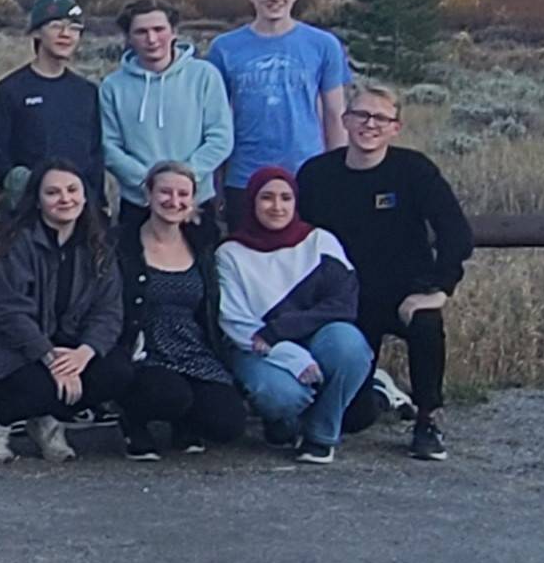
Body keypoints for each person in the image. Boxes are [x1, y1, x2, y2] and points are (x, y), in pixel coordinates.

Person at [298, 85, 471, 461]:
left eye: (381, 118)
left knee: (426, 323)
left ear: (396, 127)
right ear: (345, 121)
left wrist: (441, 287)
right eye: (360, 115)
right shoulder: (316, 174)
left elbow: (455, 231)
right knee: (355, 419)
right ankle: (378, 389)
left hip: (406, 292)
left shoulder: (414, 170)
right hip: (346, 300)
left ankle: (427, 420)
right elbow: (299, 239)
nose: (369, 124)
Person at [0, 161, 130, 463]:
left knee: (117, 372)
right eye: (53, 192)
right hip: (1, 350)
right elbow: (9, 314)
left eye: (72, 190)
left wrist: (83, 354)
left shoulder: (98, 245)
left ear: (85, 196)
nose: (65, 199)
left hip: (66, 347)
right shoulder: (14, 244)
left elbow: (108, 311)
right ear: (37, 200)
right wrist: (51, 359)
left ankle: (46, 418)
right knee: (42, 388)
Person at [215, 166, 380, 465]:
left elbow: (342, 304)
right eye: (266, 198)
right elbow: (235, 321)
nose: (277, 207)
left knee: (351, 349)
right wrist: (288, 353)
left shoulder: (320, 241)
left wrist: (284, 329)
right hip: (256, 345)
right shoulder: (230, 253)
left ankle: (320, 434)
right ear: (251, 202)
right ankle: (284, 420)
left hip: (309, 336)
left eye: (285, 198)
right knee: (281, 395)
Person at [115, 161, 247, 460]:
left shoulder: (203, 244)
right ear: (148, 194)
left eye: (182, 194)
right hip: (143, 350)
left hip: (192, 348)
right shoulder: (122, 243)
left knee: (228, 423)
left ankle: (185, 425)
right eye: (165, 192)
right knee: (170, 396)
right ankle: (133, 422)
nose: (173, 201)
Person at [208, 0, 352, 218]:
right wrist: (214, 180)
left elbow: (335, 114)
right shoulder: (224, 48)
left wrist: (338, 174)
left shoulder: (323, 45)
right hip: (244, 176)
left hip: (307, 173)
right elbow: (213, 119)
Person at [100, 0, 234, 239]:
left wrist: (183, 183)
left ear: (174, 32)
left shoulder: (204, 76)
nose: (152, 39)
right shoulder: (112, 87)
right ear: (129, 38)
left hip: (195, 203)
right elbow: (109, 146)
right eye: (141, 32)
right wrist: (150, 185)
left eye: (159, 29)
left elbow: (220, 137)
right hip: (138, 204)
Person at [0, 0, 101, 208]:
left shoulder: (86, 91)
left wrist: (97, 203)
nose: (66, 34)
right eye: (56, 26)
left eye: (74, 28)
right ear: (37, 33)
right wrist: (27, 196)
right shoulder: (10, 90)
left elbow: (95, 155)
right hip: (29, 213)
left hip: (80, 212)